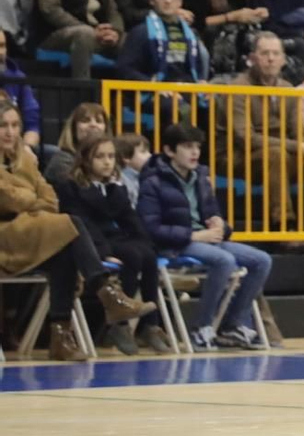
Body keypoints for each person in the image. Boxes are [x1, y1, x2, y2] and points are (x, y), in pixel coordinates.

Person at [0, 104, 147, 362]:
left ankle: (60, 336)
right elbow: (9, 198)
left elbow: (49, 200)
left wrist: (26, 200)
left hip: (28, 235)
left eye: (15, 125)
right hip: (5, 239)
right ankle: (107, 294)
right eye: (3, 126)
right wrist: (29, 198)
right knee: (72, 224)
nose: (10, 132)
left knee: (65, 252)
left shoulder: (24, 159)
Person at [137, 122, 274, 349]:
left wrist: (222, 225)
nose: (194, 152)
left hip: (206, 240)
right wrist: (193, 235)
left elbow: (211, 214)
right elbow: (151, 228)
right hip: (174, 245)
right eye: (188, 147)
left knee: (261, 260)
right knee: (224, 260)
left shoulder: (201, 177)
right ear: (170, 151)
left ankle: (233, 325)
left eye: (197, 147)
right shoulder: (152, 182)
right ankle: (201, 328)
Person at [61, 131, 170, 355]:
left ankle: (151, 324)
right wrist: (103, 252)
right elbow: (84, 224)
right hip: (92, 242)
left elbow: (129, 218)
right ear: (86, 159)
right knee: (131, 256)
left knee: (147, 255)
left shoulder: (115, 185)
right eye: (100, 156)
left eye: (111, 156)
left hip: (113, 237)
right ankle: (119, 324)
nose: (107, 162)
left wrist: (147, 242)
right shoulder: (72, 186)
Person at [114, 0, 209, 84]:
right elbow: (124, 69)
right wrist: (150, 83)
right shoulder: (140, 32)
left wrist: (202, 81)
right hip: (154, 93)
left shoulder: (191, 33)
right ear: (151, 0)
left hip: (186, 88)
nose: (168, 1)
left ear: (180, 1)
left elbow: (197, 69)